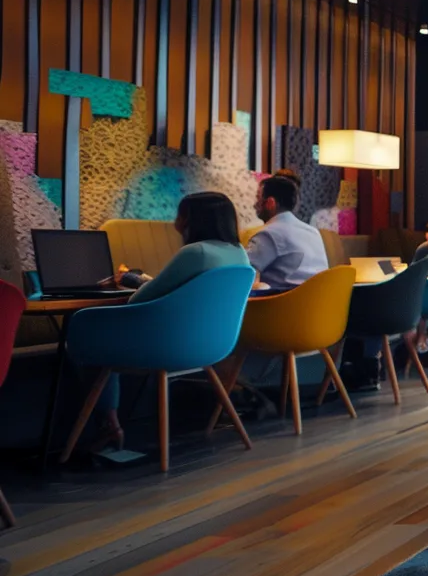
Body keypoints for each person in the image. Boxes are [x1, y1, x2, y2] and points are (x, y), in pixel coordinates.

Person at [84, 192, 251, 451]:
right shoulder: (238, 253)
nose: (176, 221)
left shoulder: (196, 252)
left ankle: (109, 423)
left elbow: (137, 301)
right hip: (212, 347)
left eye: (180, 214)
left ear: (191, 220)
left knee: (88, 332)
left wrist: (132, 280)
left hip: (166, 345)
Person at [247, 175, 328, 292]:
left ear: (270, 203)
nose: (254, 205)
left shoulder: (269, 234)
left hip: (284, 307)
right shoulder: (313, 232)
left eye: (258, 199)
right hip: (320, 304)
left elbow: (242, 271)